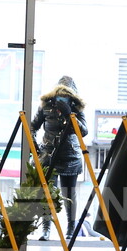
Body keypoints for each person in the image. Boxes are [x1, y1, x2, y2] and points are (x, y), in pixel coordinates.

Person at [32, 75, 86, 239]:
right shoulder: (46, 106)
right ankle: (46, 229)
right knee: (47, 193)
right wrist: (35, 149)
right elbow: (32, 127)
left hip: (70, 156)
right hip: (48, 155)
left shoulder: (76, 108)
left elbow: (83, 132)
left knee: (69, 194)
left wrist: (70, 115)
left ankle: (71, 228)